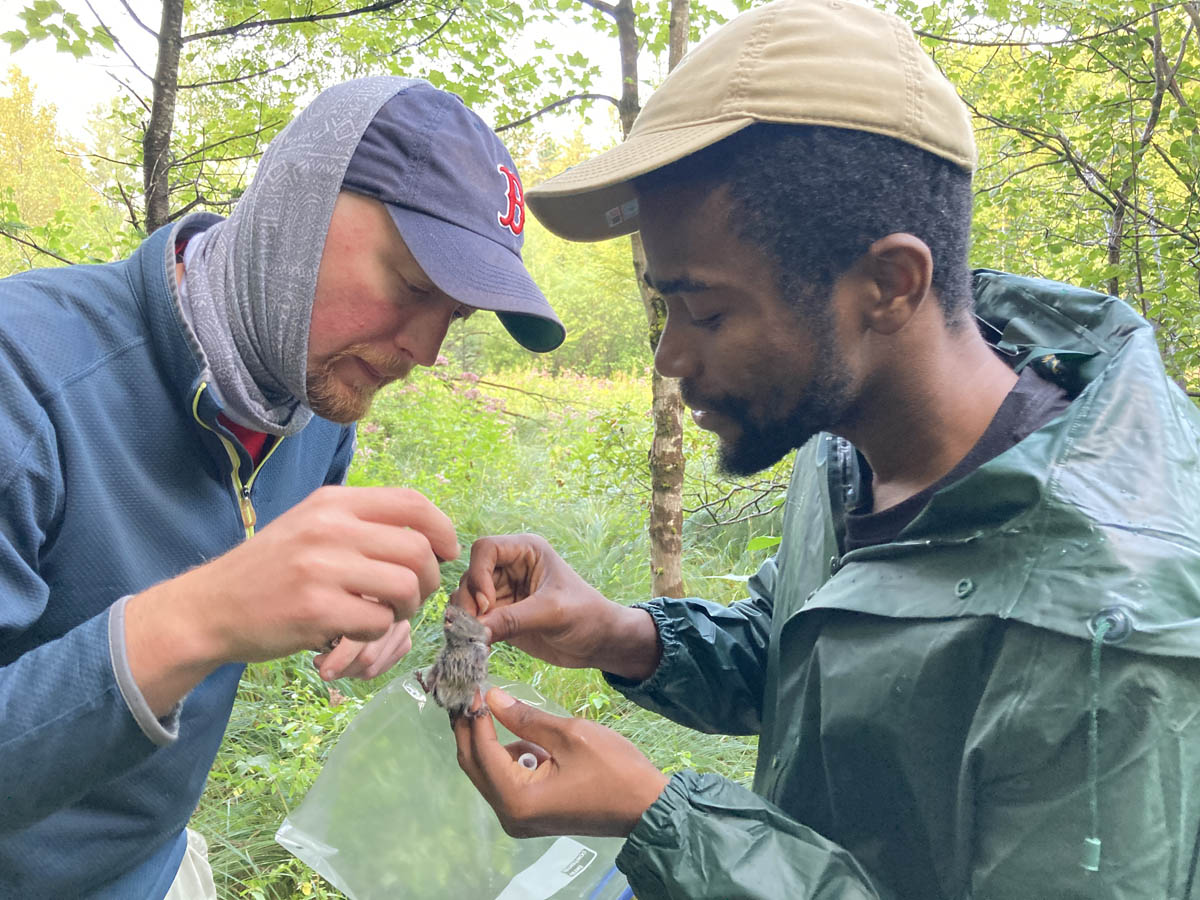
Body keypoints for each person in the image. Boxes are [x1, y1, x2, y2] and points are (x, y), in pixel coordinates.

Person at [449, 1, 1200, 897]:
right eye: (666, 308)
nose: (671, 358)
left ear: (888, 284)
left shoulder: (1116, 630)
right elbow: (820, 654)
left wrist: (665, 820)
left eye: (710, 312)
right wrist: (621, 635)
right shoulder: (848, 436)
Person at [0, 76, 563, 898]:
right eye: (411, 284)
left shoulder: (316, 403)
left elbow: (259, 572)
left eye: (457, 316)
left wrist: (352, 612)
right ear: (295, 206)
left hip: (156, 867)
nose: (428, 350)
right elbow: (210, 607)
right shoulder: (25, 378)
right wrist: (202, 615)